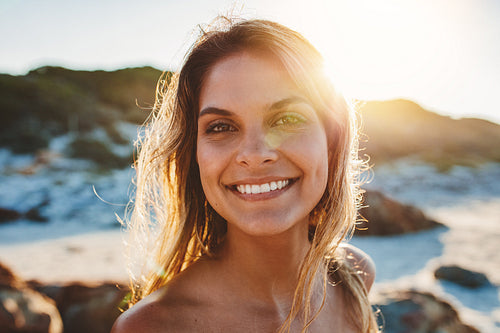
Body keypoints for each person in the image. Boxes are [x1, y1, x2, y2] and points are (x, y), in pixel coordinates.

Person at [112, 17, 379, 333]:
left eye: (287, 119)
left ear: (332, 143)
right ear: (194, 157)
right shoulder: (153, 327)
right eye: (221, 127)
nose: (254, 154)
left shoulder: (352, 275)